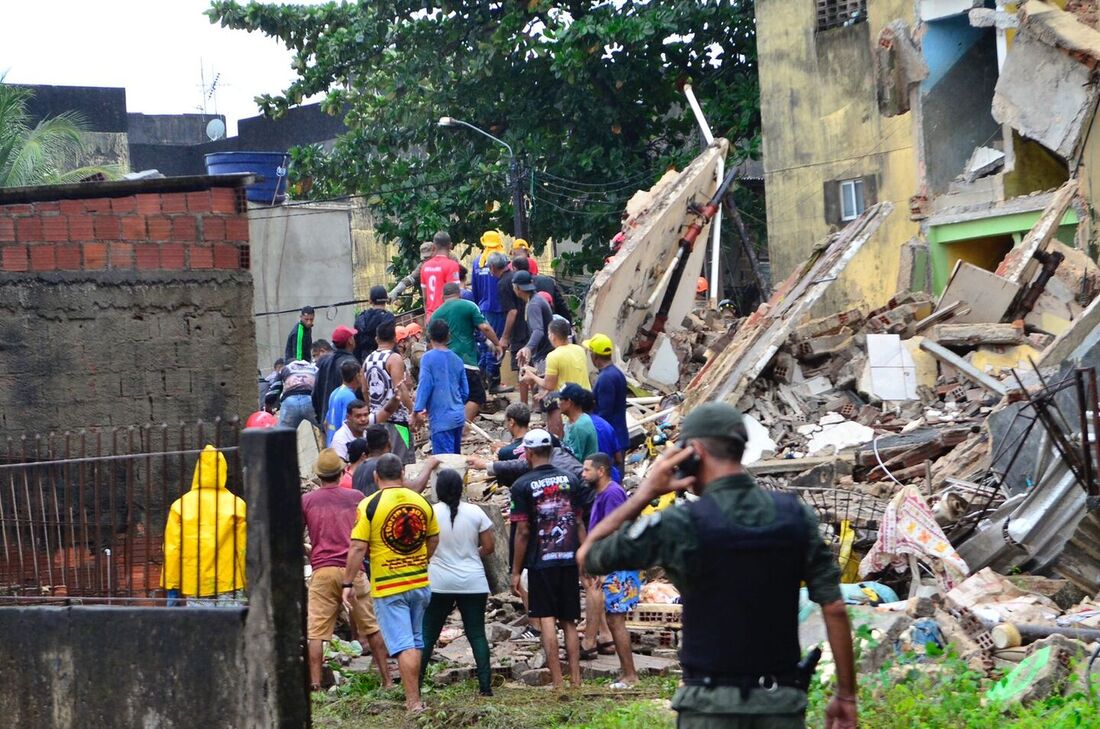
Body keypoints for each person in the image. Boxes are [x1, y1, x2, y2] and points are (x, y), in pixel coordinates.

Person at [578, 403, 857, 729]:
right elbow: (834, 607)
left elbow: (590, 555)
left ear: (694, 454)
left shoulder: (680, 523)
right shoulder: (796, 516)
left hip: (708, 707)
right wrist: (846, 695)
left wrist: (645, 493)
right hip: (778, 702)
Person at [342, 454, 439, 713]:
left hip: (389, 585)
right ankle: (415, 694)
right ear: (403, 474)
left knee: (404, 644)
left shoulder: (369, 505)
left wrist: (347, 583)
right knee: (415, 641)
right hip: (419, 582)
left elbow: (358, 547)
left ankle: (413, 702)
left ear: (376, 476)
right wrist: (422, 560)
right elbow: (433, 538)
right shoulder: (420, 501)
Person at [303, 448, 391, 691]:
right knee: (371, 628)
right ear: (342, 472)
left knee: (316, 633)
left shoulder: (307, 500)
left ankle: (315, 686)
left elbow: (295, 534)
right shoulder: (356, 497)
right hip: (353, 571)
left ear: (318, 476)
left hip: (322, 571)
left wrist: (310, 551)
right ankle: (387, 681)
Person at [509, 428, 587, 689]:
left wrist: (515, 570)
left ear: (529, 453)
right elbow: (578, 522)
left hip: (540, 561)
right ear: (551, 451)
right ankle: (576, 679)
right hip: (569, 558)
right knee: (569, 621)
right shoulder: (571, 480)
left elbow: (523, 531)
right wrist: (585, 557)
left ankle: (557, 682)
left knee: (546, 619)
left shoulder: (521, 485)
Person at [420, 469, 496, 696]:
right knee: (477, 634)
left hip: (439, 581)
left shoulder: (430, 512)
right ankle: (485, 687)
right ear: (461, 489)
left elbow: (424, 547)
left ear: (438, 490)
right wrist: (470, 556)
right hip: (473, 582)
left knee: (428, 634)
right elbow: (489, 547)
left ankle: (415, 685)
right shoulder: (475, 512)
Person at [579, 453, 639, 688]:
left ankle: (630, 675)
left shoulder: (612, 493)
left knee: (616, 620)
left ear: (601, 471)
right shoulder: (602, 493)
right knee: (614, 619)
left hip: (617, 566)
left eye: (587, 470)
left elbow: (617, 530)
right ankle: (627, 674)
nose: (583, 474)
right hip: (613, 564)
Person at [161, 445, 246, 606]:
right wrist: (248, 580)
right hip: (230, 583)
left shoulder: (180, 506)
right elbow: (243, 547)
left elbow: (172, 549)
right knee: (232, 622)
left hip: (196, 584)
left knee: (201, 622)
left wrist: (172, 584)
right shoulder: (237, 505)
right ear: (223, 471)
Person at [430, 282, 503, 424]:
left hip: (445, 365)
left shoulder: (436, 314)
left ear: (443, 296)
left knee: (454, 397)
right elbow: (485, 327)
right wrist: (497, 344)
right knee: (477, 396)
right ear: (459, 293)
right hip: (466, 361)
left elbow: (430, 342)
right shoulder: (469, 306)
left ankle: (455, 425)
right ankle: (461, 425)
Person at [522, 318, 590, 437]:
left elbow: (549, 385)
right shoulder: (579, 349)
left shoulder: (553, 356)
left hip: (570, 400)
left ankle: (556, 437)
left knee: (549, 402)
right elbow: (563, 373)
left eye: (549, 333)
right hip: (586, 395)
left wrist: (531, 374)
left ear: (553, 336)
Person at [411, 319, 468, 455]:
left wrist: (416, 410)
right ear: (448, 336)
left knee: (445, 461)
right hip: (458, 416)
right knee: (455, 458)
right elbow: (465, 392)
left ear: (429, 335)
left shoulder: (427, 358)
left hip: (441, 419)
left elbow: (425, 386)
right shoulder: (457, 359)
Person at [362, 321, 415, 463]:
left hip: (377, 421)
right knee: (402, 462)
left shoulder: (367, 360)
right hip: (398, 420)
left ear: (376, 339)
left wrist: (372, 410)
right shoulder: (394, 358)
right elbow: (401, 388)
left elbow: (364, 390)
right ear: (394, 339)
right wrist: (412, 411)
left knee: (381, 462)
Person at [352, 424, 441, 497]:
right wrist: (428, 466)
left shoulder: (359, 468)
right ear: (389, 444)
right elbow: (415, 489)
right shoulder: (385, 465)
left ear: (368, 446)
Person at [584, 334, 629, 467]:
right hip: (618, 435)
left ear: (594, 356)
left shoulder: (606, 378)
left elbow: (604, 414)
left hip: (611, 441)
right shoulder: (617, 373)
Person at [512, 270, 553, 406]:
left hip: (545, 354)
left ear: (517, 288)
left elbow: (538, 331)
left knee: (547, 399)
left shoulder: (534, 304)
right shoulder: (534, 300)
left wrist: (528, 348)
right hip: (543, 352)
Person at [314, 325, 359, 428]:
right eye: (352, 337)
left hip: (327, 421)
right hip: (345, 424)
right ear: (350, 341)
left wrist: (320, 417)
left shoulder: (323, 361)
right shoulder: (351, 364)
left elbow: (315, 393)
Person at [512, 256, 570, 323]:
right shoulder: (547, 281)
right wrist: (568, 322)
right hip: (552, 323)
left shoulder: (517, 286)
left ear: (514, 269)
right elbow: (560, 305)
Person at [420, 231, 461, 321]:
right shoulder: (452, 265)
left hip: (431, 316)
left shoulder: (425, 266)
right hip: (447, 316)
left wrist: (427, 315)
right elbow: (454, 296)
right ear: (450, 245)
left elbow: (425, 297)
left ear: (434, 246)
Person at [325, 359, 362, 446]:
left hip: (331, 443)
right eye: (361, 374)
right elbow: (348, 426)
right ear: (357, 376)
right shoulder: (349, 397)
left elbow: (326, 423)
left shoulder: (334, 392)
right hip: (342, 446)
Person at [559, 383, 599, 462]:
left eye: (561, 399)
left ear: (569, 402)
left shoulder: (579, 426)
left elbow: (574, 459)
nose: (559, 403)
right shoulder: (574, 421)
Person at [354, 285, 397, 360]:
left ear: (370, 300)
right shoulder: (389, 318)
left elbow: (356, 342)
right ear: (386, 300)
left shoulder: (361, 318)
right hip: (385, 359)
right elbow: (391, 341)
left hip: (363, 359)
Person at [277, 358, 319, 429]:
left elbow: (276, 387)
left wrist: (270, 404)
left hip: (290, 400)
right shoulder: (314, 368)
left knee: (283, 433)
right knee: (326, 428)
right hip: (310, 399)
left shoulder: (287, 368)